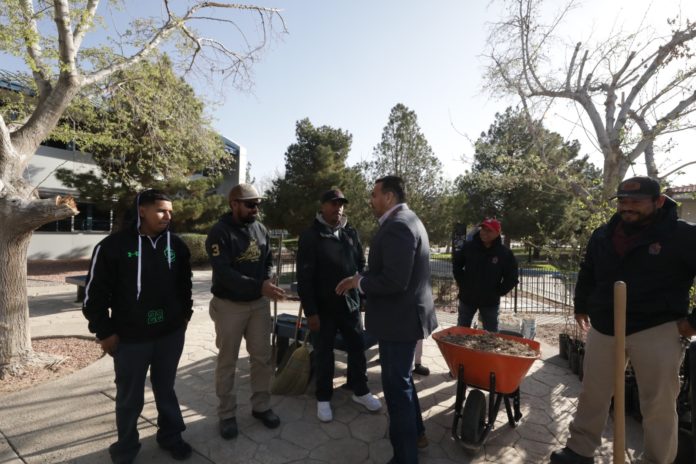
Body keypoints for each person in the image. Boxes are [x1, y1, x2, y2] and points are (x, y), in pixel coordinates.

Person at [550, 176, 696, 464]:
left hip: (657, 328)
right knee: (593, 393)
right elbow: (588, 270)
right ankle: (579, 450)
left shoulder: (682, 235)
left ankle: (657, 460)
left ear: (658, 201)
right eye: (622, 201)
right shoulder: (603, 234)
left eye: (636, 202)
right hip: (606, 327)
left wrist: (693, 323)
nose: (627, 207)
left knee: (658, 403)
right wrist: (581, 306)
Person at [82, 189, 193, 463]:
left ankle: (171, 436)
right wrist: (104, 331)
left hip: (169, 335)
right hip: (131, 338)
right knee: (129, 397)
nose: (168, 216)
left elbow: (185, 286)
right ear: (142, 210)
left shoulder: (177, 246)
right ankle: (126, 448)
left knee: (166, 389)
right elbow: (94, 295)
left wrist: (184, 317)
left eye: (170, 211)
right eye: (161, 210)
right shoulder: (112, 247)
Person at [336, 175, 439, 464]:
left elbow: (394, 281)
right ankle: (417, 434)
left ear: (389, 197)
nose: (371, 200)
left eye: (374, 194)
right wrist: (360, 278)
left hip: (398, 322)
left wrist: (360, 283)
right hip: (403, 319)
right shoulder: (408, 220)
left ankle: (405, 457)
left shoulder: (398, 226)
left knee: (396, 390)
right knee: (402, 382)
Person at [205, 183, 285, 440]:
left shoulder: (260, 229)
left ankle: (261, 406)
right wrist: (259, 286)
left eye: (257, 204)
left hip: (258, 305)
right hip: (230, 306)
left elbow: (267, 259)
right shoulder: (219, 233)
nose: (255, 209)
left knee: (262, 358)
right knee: (227, 360)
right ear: (234, 204)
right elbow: (224, 273)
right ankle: (227, 413)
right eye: (250, 204)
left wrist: (267, 279)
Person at [296, 188, 382, 422]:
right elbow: (304, 277)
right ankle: (324, 397)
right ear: (323, 206)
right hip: (323, 308)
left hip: (349, 305)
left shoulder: (350, 232)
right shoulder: (311, 236)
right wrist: (311, 312)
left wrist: (361, 295)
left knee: (357, 348)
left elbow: (360, 264)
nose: (338, 208)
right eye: (333, 203)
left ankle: (360, 390)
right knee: (324, 352)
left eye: (341, 204)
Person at [452, 218, 518, 332]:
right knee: (461, 330)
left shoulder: (504, 253)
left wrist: (499, 291)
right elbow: (457, 265)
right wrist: (462, 283)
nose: (484, 233)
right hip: (467, 298)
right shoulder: (469, 247)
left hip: (490, 301)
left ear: (497, 233)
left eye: (489, 230)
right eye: (483, 229)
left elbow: (512, 277)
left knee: (491, 333)